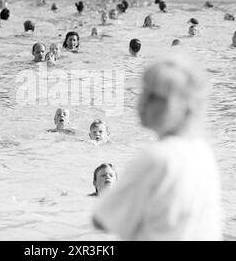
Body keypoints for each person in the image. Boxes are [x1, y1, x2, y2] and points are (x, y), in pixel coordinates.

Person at [92, 56, 223, 240]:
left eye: (154, 96)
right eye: (144, 92)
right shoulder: (202, 152)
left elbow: (102, 220)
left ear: (180, 105)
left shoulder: (156, 158)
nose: (143, 101)